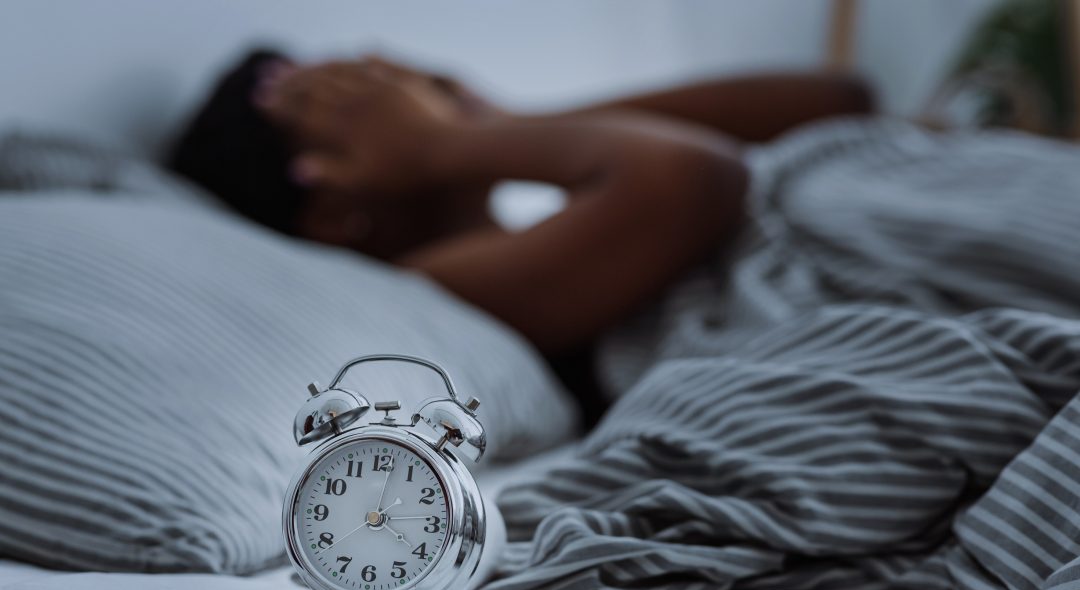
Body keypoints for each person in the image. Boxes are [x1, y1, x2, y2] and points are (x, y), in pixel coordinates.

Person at [170, 49, 874, 421]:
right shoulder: (431, 291)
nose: (405, 79)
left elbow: (838, 102)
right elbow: (698, 177)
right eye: (363, 101)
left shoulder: (573, 196)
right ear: (331, 211)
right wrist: (449, 143)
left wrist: (499, 121)